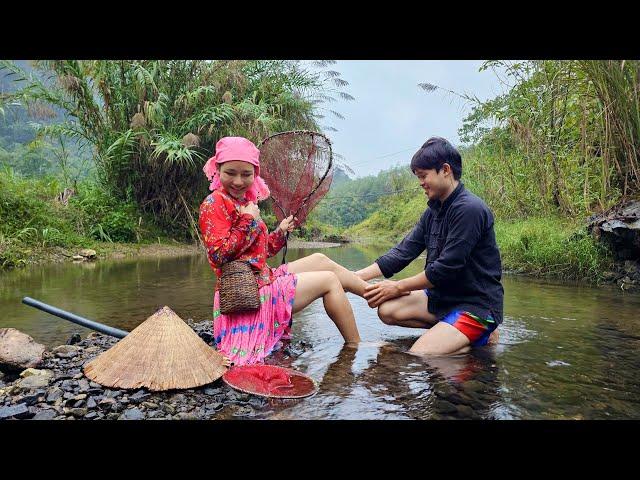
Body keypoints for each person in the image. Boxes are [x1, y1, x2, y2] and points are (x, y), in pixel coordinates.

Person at [198, 136, 361, 366]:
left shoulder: (244, 202)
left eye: (246, 174)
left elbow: (258, 252)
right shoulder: (214, 203)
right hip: (248, 295)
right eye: (230, 173)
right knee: (330, 281)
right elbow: (219, 255)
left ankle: (376, 294)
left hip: (261, 278)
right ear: (217, 170)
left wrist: (280, 233)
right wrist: (247, 220)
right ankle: (356, 346)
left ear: (255, 174)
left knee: (320, 259)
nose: (238, 181)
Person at [353, 136, 504, 356]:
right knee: (387, 310)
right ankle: (456, 333)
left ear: (445, 170)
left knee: (421, 355)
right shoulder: (434, 210)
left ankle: (478, 332)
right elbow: (404, 251)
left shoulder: (469, 209)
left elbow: (445, 268)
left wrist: (397, 286)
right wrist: (357, 276)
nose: (421, 182)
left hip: (475, 305)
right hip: (443, 297)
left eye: (424, 176)